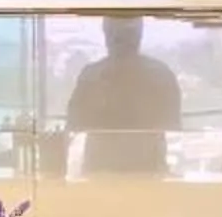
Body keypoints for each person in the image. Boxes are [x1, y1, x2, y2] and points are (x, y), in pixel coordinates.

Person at [63, 15, 182, 177]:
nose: (119, 39)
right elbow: (173, 125)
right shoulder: (160, 74)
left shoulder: (92, 76)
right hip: (135, 173)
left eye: (125, 34)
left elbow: (74, 125)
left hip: (114, 173)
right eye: (117, 33)